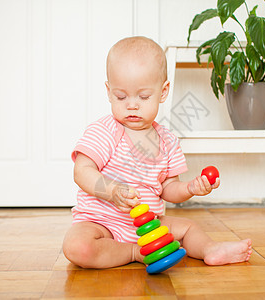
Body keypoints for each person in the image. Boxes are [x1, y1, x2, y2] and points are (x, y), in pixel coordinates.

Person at [62, 36, 252, 269]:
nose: (132, 105)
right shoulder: (104, 131)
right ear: (109, 92)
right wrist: (112, 191)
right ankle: (134, 252)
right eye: (121, 96)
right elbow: (82, 171)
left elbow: (169, 189)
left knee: (189, 228)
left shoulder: (168, 141)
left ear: (163, 92)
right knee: (77, 246)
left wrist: (190, 188)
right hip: (102, 223)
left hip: (149, 225)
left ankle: (210, 249)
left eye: (143, 97)